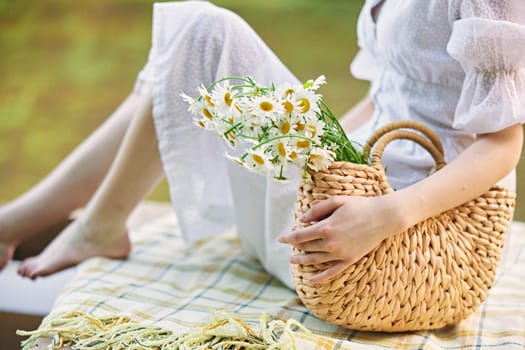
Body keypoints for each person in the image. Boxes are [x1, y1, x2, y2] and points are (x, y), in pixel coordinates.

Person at [1, 0, 523, 289]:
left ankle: (95, 226)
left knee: (206, 31)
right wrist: (314, 157)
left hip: (396, 239)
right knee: (178, 59)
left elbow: (504, 141)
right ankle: (27, 223)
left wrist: (386, 214)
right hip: (348, 195)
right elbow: (385, 95)